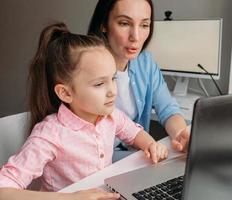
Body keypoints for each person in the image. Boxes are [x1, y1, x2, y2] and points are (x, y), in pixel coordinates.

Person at [0, 22, 168, 200]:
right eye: (99, 84)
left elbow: (134, 134)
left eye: (113, 79)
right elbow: (3, 190)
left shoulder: (110, 115)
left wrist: (151, 145)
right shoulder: (50, 134)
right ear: (65, 93)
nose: (112, 91)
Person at [88, 0, 190, 160]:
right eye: (124, 23)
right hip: (98, 163)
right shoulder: (86, 68)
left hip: (136, 155)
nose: (135, 37)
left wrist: (181, 134)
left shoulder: (145, 63)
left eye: (144, 25)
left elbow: (168, 109)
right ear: (104, 24)